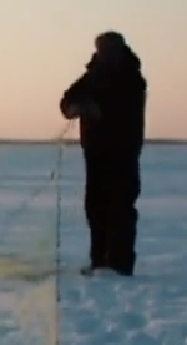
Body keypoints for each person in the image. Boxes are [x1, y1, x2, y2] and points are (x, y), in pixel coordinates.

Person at [59, 31, 147, 276]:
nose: (104, 54)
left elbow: (122, 109)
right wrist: (76, 107)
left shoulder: (132, 77)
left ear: (119, 49)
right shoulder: (92, 75)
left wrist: (98, 109)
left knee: (120, 207)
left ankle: (119, 264)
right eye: (101, 49)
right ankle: (99, 262)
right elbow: (66, 101)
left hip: (123, 152)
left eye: (108, 49)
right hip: (95, 153)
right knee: (95, 207)